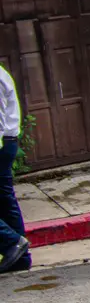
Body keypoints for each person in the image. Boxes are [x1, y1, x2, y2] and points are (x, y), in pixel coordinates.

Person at [0, 62, 29, 272]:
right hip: (7, 141)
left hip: (2, 142)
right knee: (5, 200)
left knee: (5, 199)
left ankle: (11, 242)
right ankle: (20, 257)